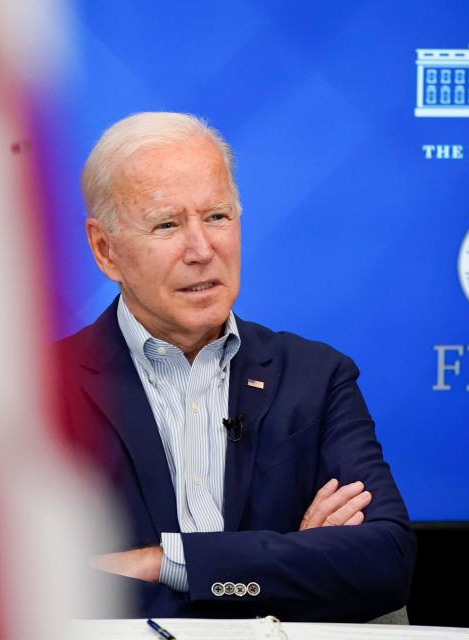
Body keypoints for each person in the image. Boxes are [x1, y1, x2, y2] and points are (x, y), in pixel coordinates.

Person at [53, 112, 414, 622]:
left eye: (217, 217)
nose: (202, 250)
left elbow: (385, 563)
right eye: (167, 224)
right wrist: (289, 568)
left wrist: (166, 563)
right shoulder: (45, 388)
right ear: (105, 250)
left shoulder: (315, 378)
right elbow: (41, 586)